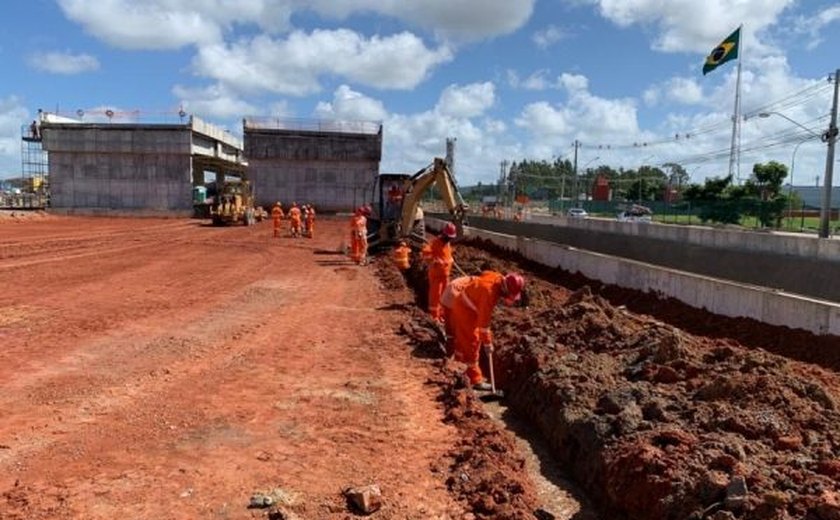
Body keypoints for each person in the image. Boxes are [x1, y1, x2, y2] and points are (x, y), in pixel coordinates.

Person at [449, 271, 525, 390]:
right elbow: (483, 325)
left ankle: (459, 366)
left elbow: (485, 273)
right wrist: (488, 343)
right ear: (505, 289)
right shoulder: (489, 294)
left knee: (463, 339)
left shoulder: (497, 277)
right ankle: (474, 380)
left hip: (465, 305)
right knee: (472, 343)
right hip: (466, 311)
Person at [421, 222, 456, 322]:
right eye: (448, 237)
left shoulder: (447, 243)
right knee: (435, 296)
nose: (449, 239)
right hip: (436, 275)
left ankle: (442, 314)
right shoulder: (435, 243)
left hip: (445, 275)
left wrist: (450, 259)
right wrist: (434, 260)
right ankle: (434, 316)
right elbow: (425, 253)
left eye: (451, 238)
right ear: (444, 234)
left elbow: (447, 255)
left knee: (445, 297)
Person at [439, 274, 473, 356]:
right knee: (458, 328)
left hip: (446, 298)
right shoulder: (476, 285)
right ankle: (458, 355)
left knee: (450, 327)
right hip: (454, 298)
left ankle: (449, 352)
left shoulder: (468, 280)